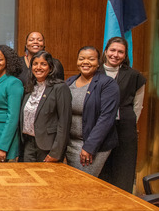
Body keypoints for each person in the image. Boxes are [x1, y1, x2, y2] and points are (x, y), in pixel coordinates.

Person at [98, 37, 146, 192]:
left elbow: (137, 106)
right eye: (112, 50)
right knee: (100, 172)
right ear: (105, 51)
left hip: (124, 131)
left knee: (123, 172)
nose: (115, 55)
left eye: (120, 52)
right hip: (98, 130)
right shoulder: (94, 72)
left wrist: (128, 123)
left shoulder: (134, 76)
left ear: (125, 56)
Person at [65, 46, 119, 177]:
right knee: (70, 183)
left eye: (91, 59)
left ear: (98, 62)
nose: (85, 62)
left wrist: (89, 147)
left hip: (91, 145)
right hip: (69, 144)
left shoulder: (107, 84)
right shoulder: (69, 82)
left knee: (84, 183)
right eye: (81, 58)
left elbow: (106, 118)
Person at [19, 51, 71, 162]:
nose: (38, 67)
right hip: (28, 144)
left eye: (43, 64)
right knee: (27, 177)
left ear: (50, 68)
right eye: (35, 64)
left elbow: (64, 122)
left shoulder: (60, 88)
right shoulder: (29, 87)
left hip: (48, 147)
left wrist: (56, 152)